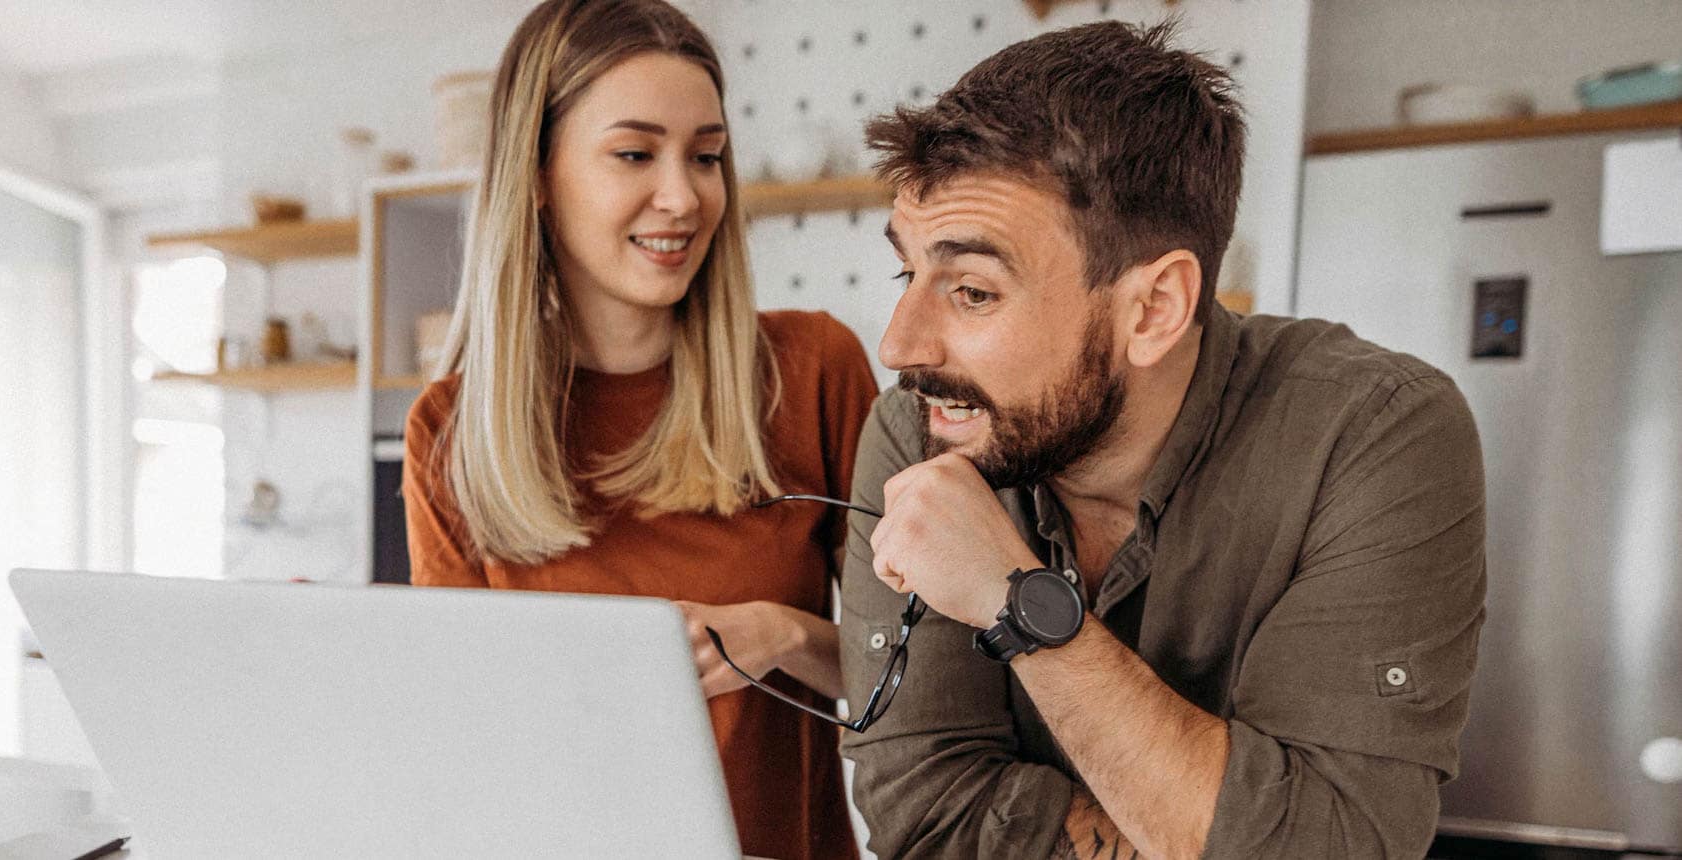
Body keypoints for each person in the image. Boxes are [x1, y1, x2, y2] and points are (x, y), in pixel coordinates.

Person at [837, 20, 1487, 859]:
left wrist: (1018, 604)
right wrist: (1197, 815)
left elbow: (1332, 844)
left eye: (971, 290)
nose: (899, 346)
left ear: (1153, 310)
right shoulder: (923, 428)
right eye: (908, 271)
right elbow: (922, 814)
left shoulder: (1374, 435)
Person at [401, 1, 874, 857]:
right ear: (538, 176)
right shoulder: (448, 433)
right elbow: (464, 742)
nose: (683, 196)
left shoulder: (815, 371)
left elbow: (924, 679)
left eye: (706, 156)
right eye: (634, 154)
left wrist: (784, 635)